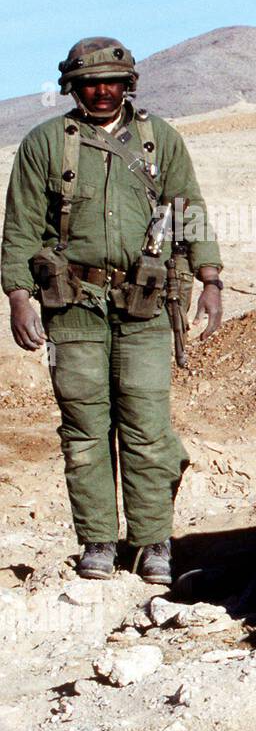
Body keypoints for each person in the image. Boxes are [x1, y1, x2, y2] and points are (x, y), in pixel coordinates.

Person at [2, 37, 224, 584]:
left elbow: (188, 207)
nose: (102, 92)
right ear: (72, 88)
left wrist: (211, 278)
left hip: (146, 305)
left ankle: (152, 543)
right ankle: (98, 540)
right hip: (72, 306)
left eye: (112, 82)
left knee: (147, 426)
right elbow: (21, 224)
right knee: (84, 427)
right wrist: (17, 295)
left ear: (129, 85)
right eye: (89, 83)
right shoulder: (44, 143)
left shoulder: (159, 139)